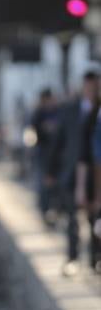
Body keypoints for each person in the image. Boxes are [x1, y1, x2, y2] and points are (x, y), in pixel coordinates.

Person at [47, 71, 101, 275]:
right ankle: (73, 257)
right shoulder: (69, 111)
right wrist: (51, 170)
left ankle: (95, 258)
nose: (92, 90)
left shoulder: (97, 112)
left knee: (94, 218)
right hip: (73, 173)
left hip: (95, 176)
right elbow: (58, 142)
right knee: (73, 219)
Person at [29, 88, 59, 222]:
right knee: (42, 183)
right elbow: (33, 130)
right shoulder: (38, 113)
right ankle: (44, 209)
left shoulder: (57, 111)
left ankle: (54, 210)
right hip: (42, 153)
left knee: (54, 184)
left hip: (56, 153)